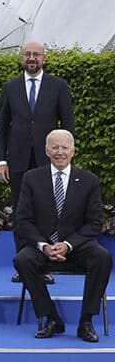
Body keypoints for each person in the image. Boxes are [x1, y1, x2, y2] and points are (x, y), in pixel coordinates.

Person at [12, 130, 109, 343]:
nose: (60, 152)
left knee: (102, 257)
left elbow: (94, 223)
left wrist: (68, 244)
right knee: (22, 260)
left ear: (73, 151)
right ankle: (52, 318)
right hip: (43, 244)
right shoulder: (31, 178)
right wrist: (44, 246)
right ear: (46, 151)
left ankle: (86, 322)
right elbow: (24, 221)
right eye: (54, 147)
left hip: (76, 245)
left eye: (65, 147)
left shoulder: (89, 180)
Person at [0, 41, 74, 284]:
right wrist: (1, 160)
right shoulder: (10, 87)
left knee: (48, 213)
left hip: (48, 161)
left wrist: (65, 159)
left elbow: (68, 125)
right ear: (22, 58)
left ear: (44, 59)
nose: (32, 58)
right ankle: (23, 264)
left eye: (36, 55)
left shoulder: (58, 86)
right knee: (21, 213)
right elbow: (2, 127)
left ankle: (45, 266)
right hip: (17, 161)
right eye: (28, 54)